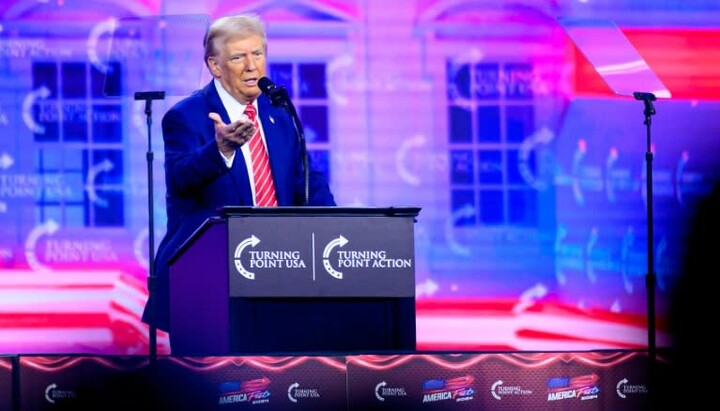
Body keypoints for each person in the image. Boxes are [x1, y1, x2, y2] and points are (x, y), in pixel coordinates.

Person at [141, 13, 336, 340]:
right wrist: (221, 150)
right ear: (215, 66)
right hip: (208, 281)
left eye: (258, 54)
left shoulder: (278, 112)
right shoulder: (185, 116)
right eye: (237, 57)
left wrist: (341, 230)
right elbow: (180, 177)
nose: (251, 66)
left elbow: (307, 182)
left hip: (281, 272)